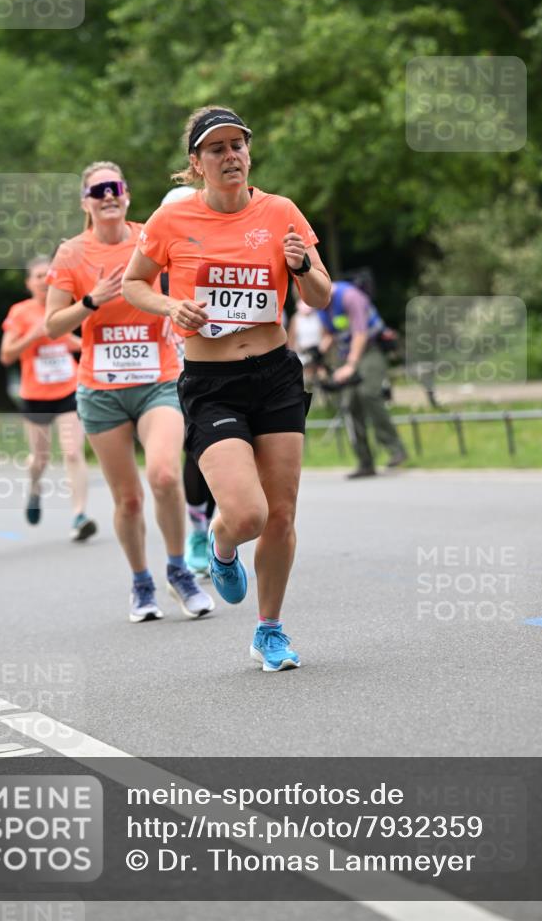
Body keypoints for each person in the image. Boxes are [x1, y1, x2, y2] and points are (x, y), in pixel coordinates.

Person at [123, 105, 331, 671]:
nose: (231, 155)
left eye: (238, 145)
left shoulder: (281, 211)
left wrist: (302, 268)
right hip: (211, 383)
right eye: (216, 148)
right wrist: (171, 306)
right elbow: (134, 283)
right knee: (247, 516)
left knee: (281, 514)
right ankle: (220, 541)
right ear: (197, 163)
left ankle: (270, 631)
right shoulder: (171, 221)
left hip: (275, 374)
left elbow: (320, 296)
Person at [44, 161, 214, 621]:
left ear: (127, 195)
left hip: (157, 379)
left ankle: (178, 570)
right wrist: (90, 301)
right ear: (85, 202)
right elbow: (52, 326)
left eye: (114, 187)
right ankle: (141, 581)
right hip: (101, 391)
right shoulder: (71, 254)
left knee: (164, 475)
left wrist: (179, 309)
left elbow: (191, 269)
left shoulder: (149, 236)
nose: (108, 195)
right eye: (98, 189)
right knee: (129, 499)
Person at [0, 256, 97, 540]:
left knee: (72, 452)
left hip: (68, 390)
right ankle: (34, 488)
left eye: (48, 275)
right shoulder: (19, 312)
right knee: (39, 459)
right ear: (28, 283)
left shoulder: (64, 306)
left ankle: (79, 515)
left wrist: (86, 346)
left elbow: (73, 342)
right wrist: (33, 335)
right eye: (38, 276)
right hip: (35, 396)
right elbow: (6, 356)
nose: (44, 280)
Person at [159, 185, 216, 576]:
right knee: (194, 451)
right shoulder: (152, 269)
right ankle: (198, 530)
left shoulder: (217, 258)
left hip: (219, 369)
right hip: (172, 375)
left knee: (224, 450)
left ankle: (217, 524)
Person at [317, 279, 407, 477]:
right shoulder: (319, 303)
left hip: (370, 349)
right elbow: (330, 333)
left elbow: (360, 333)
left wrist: (351, 365)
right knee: (349, 403)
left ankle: (396, 450)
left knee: (368, 393)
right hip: (346, 352)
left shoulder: (350, 297)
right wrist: (318, 356)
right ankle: (365, 462)